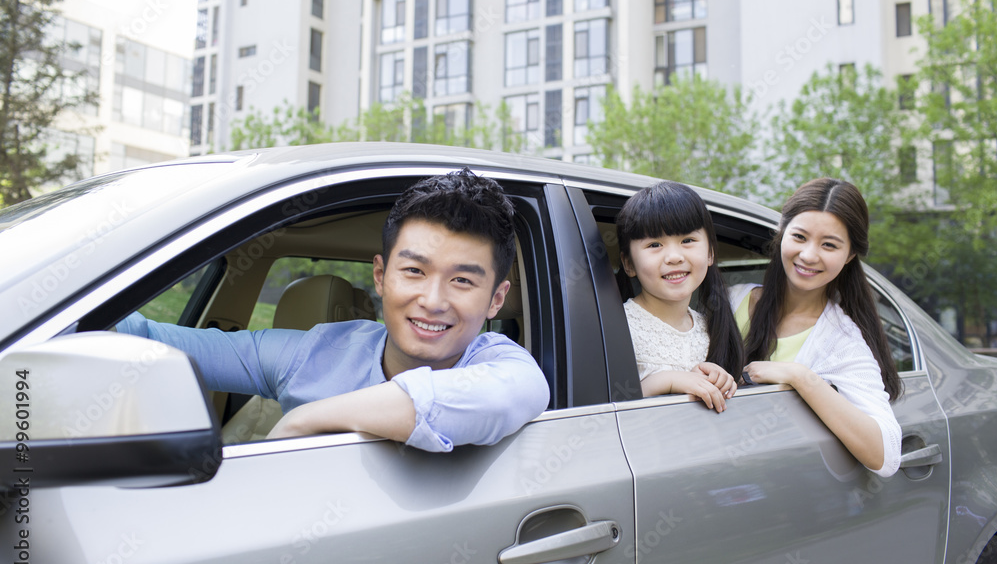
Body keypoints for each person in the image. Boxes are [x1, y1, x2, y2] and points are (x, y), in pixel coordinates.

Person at [116, 168, 550, 452]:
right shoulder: (316, 352)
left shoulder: (501, 363)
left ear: (496, 298)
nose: (433, 301)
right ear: (380, 276)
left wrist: (305, 420)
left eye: (462, 280)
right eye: (414, 271)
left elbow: (513, 393)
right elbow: (153, 342)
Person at [731, 178, 902, 478]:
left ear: (849, 255)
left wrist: (801, 378)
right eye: (799, 237)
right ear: (782, 233)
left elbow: (886, 457)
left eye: (829, 245)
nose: (809, 255)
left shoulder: (840, 340)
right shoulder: (732, 300)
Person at [616, 181, 743, 411]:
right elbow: (601, 405)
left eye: (687, 241)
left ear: (710, 253)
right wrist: (667, 380)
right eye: (655, 244)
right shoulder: (617, 326)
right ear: (628, 263)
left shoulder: (711, 327)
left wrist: (720, 382)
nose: (674, 257)